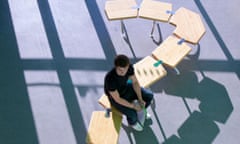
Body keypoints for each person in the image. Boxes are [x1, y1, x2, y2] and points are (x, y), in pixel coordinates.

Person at [104, 54, 153, 131]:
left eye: (125, 69)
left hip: (126, 88)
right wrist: (133, 106)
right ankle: (132, 123)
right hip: (116, 98)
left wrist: (140, 99)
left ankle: (142, 111)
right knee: (132, 113)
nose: (123, 72)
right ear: (116, 67)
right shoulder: (110, 79)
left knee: (149, 96)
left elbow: (135, 82)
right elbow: (118, 99)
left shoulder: (129, 68)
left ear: (127, 66)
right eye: (120, 70)